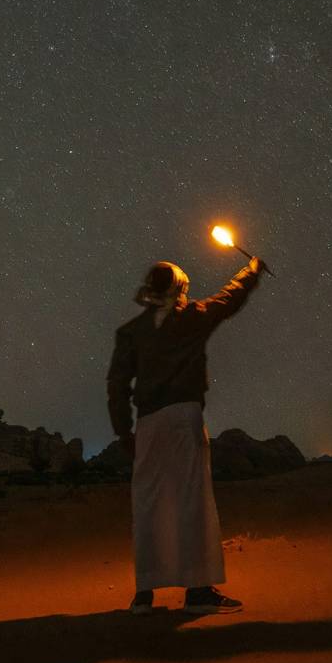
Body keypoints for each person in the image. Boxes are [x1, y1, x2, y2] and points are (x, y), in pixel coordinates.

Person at [106, 254, 263, 616]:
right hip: (183, 416)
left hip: (147, 423)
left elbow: (117, 385)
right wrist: (251, 271)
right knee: (192, 500)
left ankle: (144, 595)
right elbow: (230, 298)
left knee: (148, 502)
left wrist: (123, 430)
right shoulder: (192, 319)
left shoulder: (129, 332)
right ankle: (197, 593)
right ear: (179, 290)